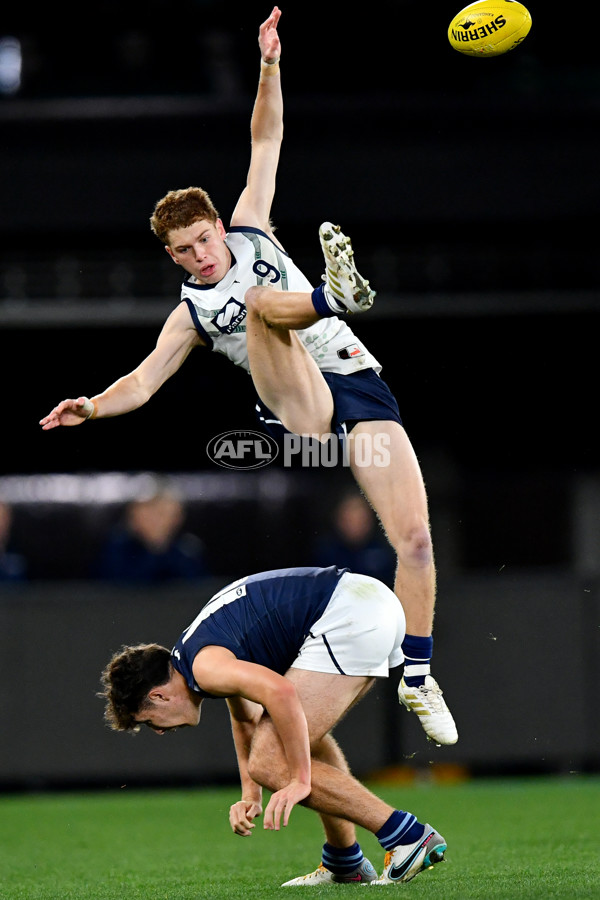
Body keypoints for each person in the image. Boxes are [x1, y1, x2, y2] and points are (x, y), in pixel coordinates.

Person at [40, 7, 457, 745]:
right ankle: (337, 295)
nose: (199, 256)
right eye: (183, 251)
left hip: (355, 385)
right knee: (261, 305)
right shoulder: (191, 313)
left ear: (217, 228)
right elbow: (142, 381)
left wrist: (268, 65)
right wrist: (94, 408)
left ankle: (418, 675)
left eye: (203, 240)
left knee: (416, 539)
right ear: (171, 257)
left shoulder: (251, 227)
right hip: (293, 403)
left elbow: (267, 138)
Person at [99, 565, 448, 886]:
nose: (158, 731)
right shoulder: (196, 658)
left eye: (148, 723)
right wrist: (250, 795)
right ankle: (345, 862)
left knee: (270, 760)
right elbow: (245, 716)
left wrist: (298, 778)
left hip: (352, 615)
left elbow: (280, 691)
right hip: (368, 605)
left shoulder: (204, 667)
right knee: (295, 739)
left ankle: (406, 836)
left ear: (158, 697)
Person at [91, 486, 210, 583]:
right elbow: (113, 589)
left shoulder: (188, 549)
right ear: (132, 516)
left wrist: (160, 545)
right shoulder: (116, 547)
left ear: (177, 517)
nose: (154, 520)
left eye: (161, 513)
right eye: (147, 511)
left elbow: (196, 591)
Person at [313, 491, 397, 589]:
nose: (355, 524)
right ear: (339, 519)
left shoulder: (384, 552)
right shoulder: (325, 553)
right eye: (349, 518)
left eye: (360, 518)